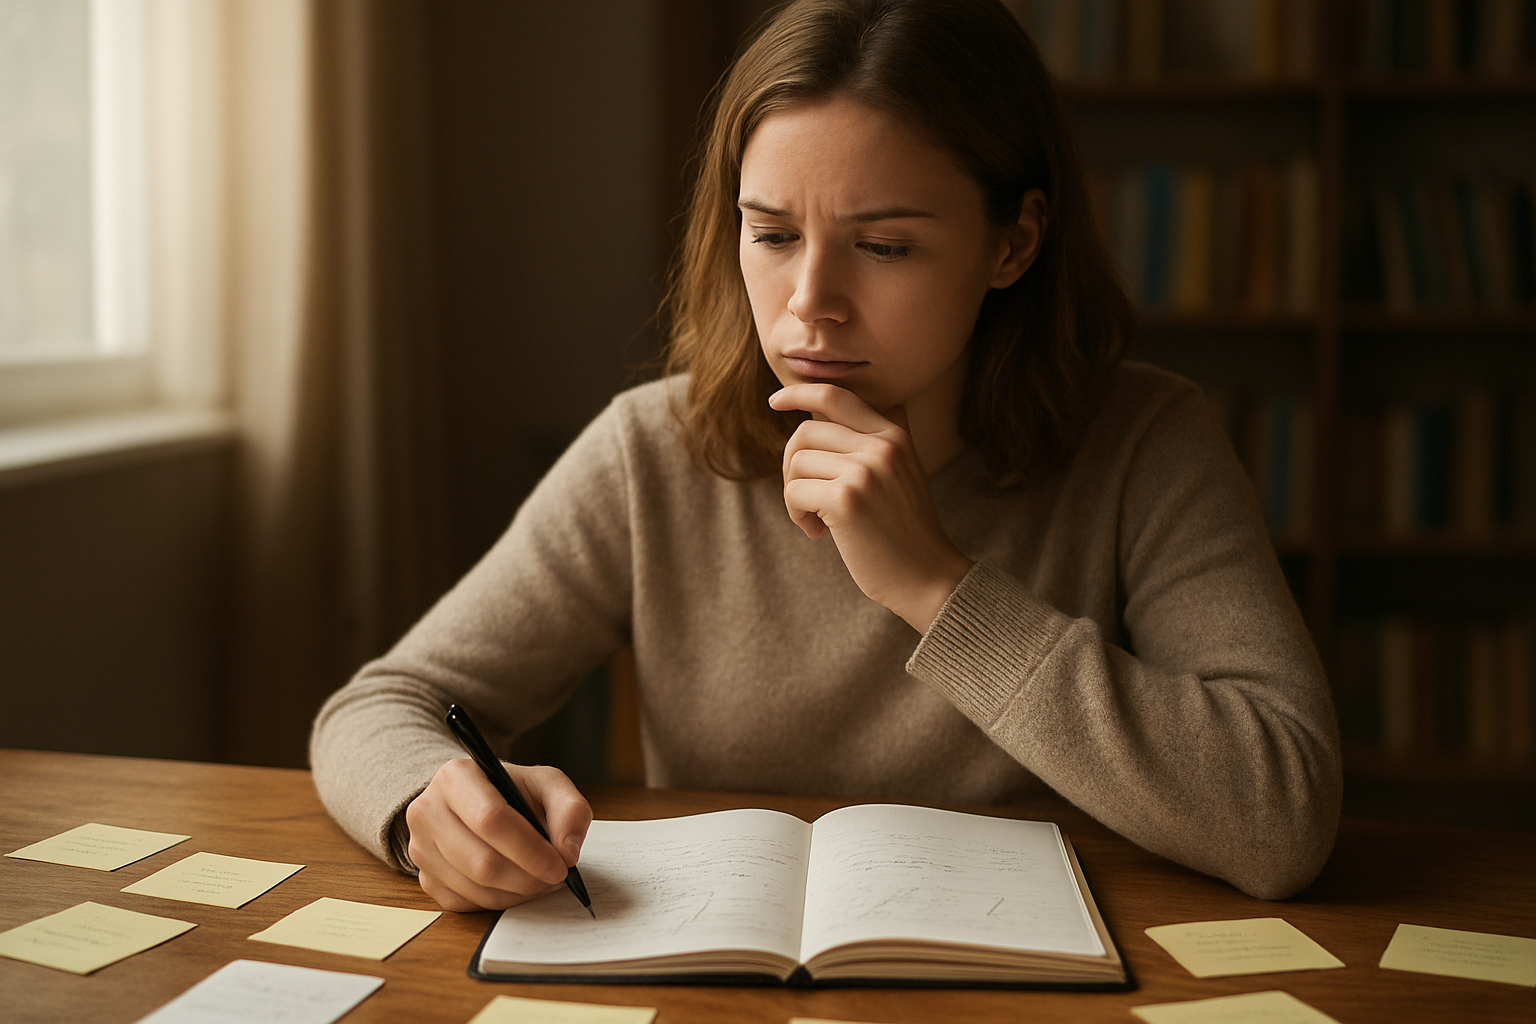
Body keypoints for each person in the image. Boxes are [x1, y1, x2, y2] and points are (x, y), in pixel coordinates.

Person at [310, 0, 1341, 910]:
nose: (809, 305)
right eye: (770, 234)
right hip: (728, 985)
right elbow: (380, 706)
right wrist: (426, 809)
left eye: (883, 245)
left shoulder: (1147, 443)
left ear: (1013, 244)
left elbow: (1282, 813)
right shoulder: (653, 449)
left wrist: (940, 588)